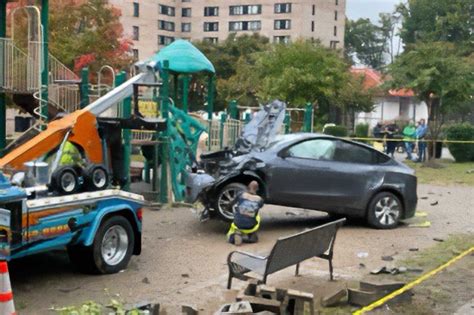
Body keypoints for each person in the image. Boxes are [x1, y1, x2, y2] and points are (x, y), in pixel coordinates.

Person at [227, 181, 264, 245]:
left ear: (248, 187)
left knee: (239, 214)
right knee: (256, 215)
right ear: (257, 189)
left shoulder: (241, 194)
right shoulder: (260, 199)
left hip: (238, 223)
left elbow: (230, 204)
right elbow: (258, 207)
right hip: (251, 225)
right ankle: (251, 233)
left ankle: (236, 234)